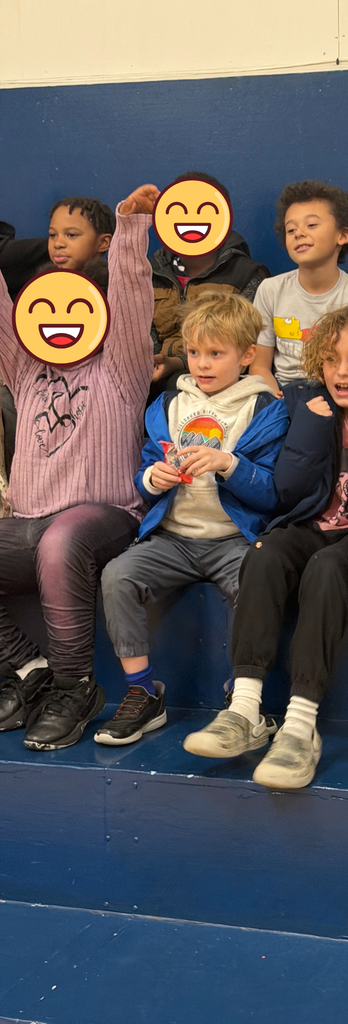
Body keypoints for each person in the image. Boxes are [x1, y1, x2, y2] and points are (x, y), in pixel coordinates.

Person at [184, 304, 348, 788]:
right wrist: (310, 428)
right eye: (332, 360)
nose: (342, 372)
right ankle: (245, 708)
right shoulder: (306, 404)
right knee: (267, 552)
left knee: (327, 568)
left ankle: (300, 726)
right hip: (310, 525)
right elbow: (289, 491)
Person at [0, 185, 156, 751]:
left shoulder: (121, 367)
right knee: (43, 538)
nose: (59, 321)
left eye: (75, 310)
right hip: (28, 517)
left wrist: (134, 230)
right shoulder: (24, 366)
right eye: (44, 311)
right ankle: (25, 669)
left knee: (61, 541)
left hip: (103, 515)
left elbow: (135, 299)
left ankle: (75, 685)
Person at [95, 292, 289, 745]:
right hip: (173, 538)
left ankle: (240, 701)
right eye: (195, 352)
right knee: (117, 575)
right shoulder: (167, 406)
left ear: (245, 356)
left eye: (216, 353)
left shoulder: (265, 409)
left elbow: (274, 492)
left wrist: (229, 464)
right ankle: (143, 694)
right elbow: (142, 477)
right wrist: (153, 479)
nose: (202, 363)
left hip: (233, 540)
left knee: (253, 582)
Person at [1, 197, 115, 478]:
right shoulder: (38, 285)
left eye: (71, 235)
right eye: (53, 235)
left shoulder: (112, 286)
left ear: (103, 243)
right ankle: (20, 478)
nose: (59, 243)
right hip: (38, 377)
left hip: (93, 379)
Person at [249, 180, 348, 395]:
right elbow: (259, 366)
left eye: (311, 225)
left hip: (331, 392)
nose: (299, 233)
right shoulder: (270, 289)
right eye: (291, 229)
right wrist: (274, 400)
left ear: (342, 235)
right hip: (280, 392)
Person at [150, 172, 270, 395]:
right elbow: (143, 335)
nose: (190, 219)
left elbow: (241, 345)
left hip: (217, 382)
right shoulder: (149, 272)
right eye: (179, 210)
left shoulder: (246, 274)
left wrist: (178, 363)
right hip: (151, 379)